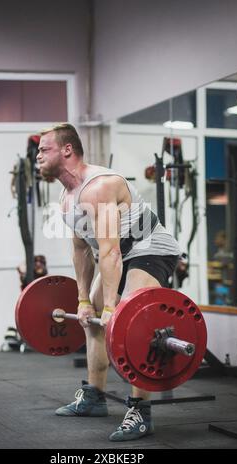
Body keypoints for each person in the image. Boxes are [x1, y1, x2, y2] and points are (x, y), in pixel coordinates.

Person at [37, 123, 181, 442]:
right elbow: (81, 251)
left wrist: (115, 307)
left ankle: (141, 412)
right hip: (115, 252)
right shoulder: (66, 198)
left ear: (67, 150)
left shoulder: (100, 186)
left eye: (44, 149)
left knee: (132, 319)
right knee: (92, 323)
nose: (38, 155)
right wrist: (84, 302)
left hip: (149, 247)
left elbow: (112, 251)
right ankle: (94, 398)